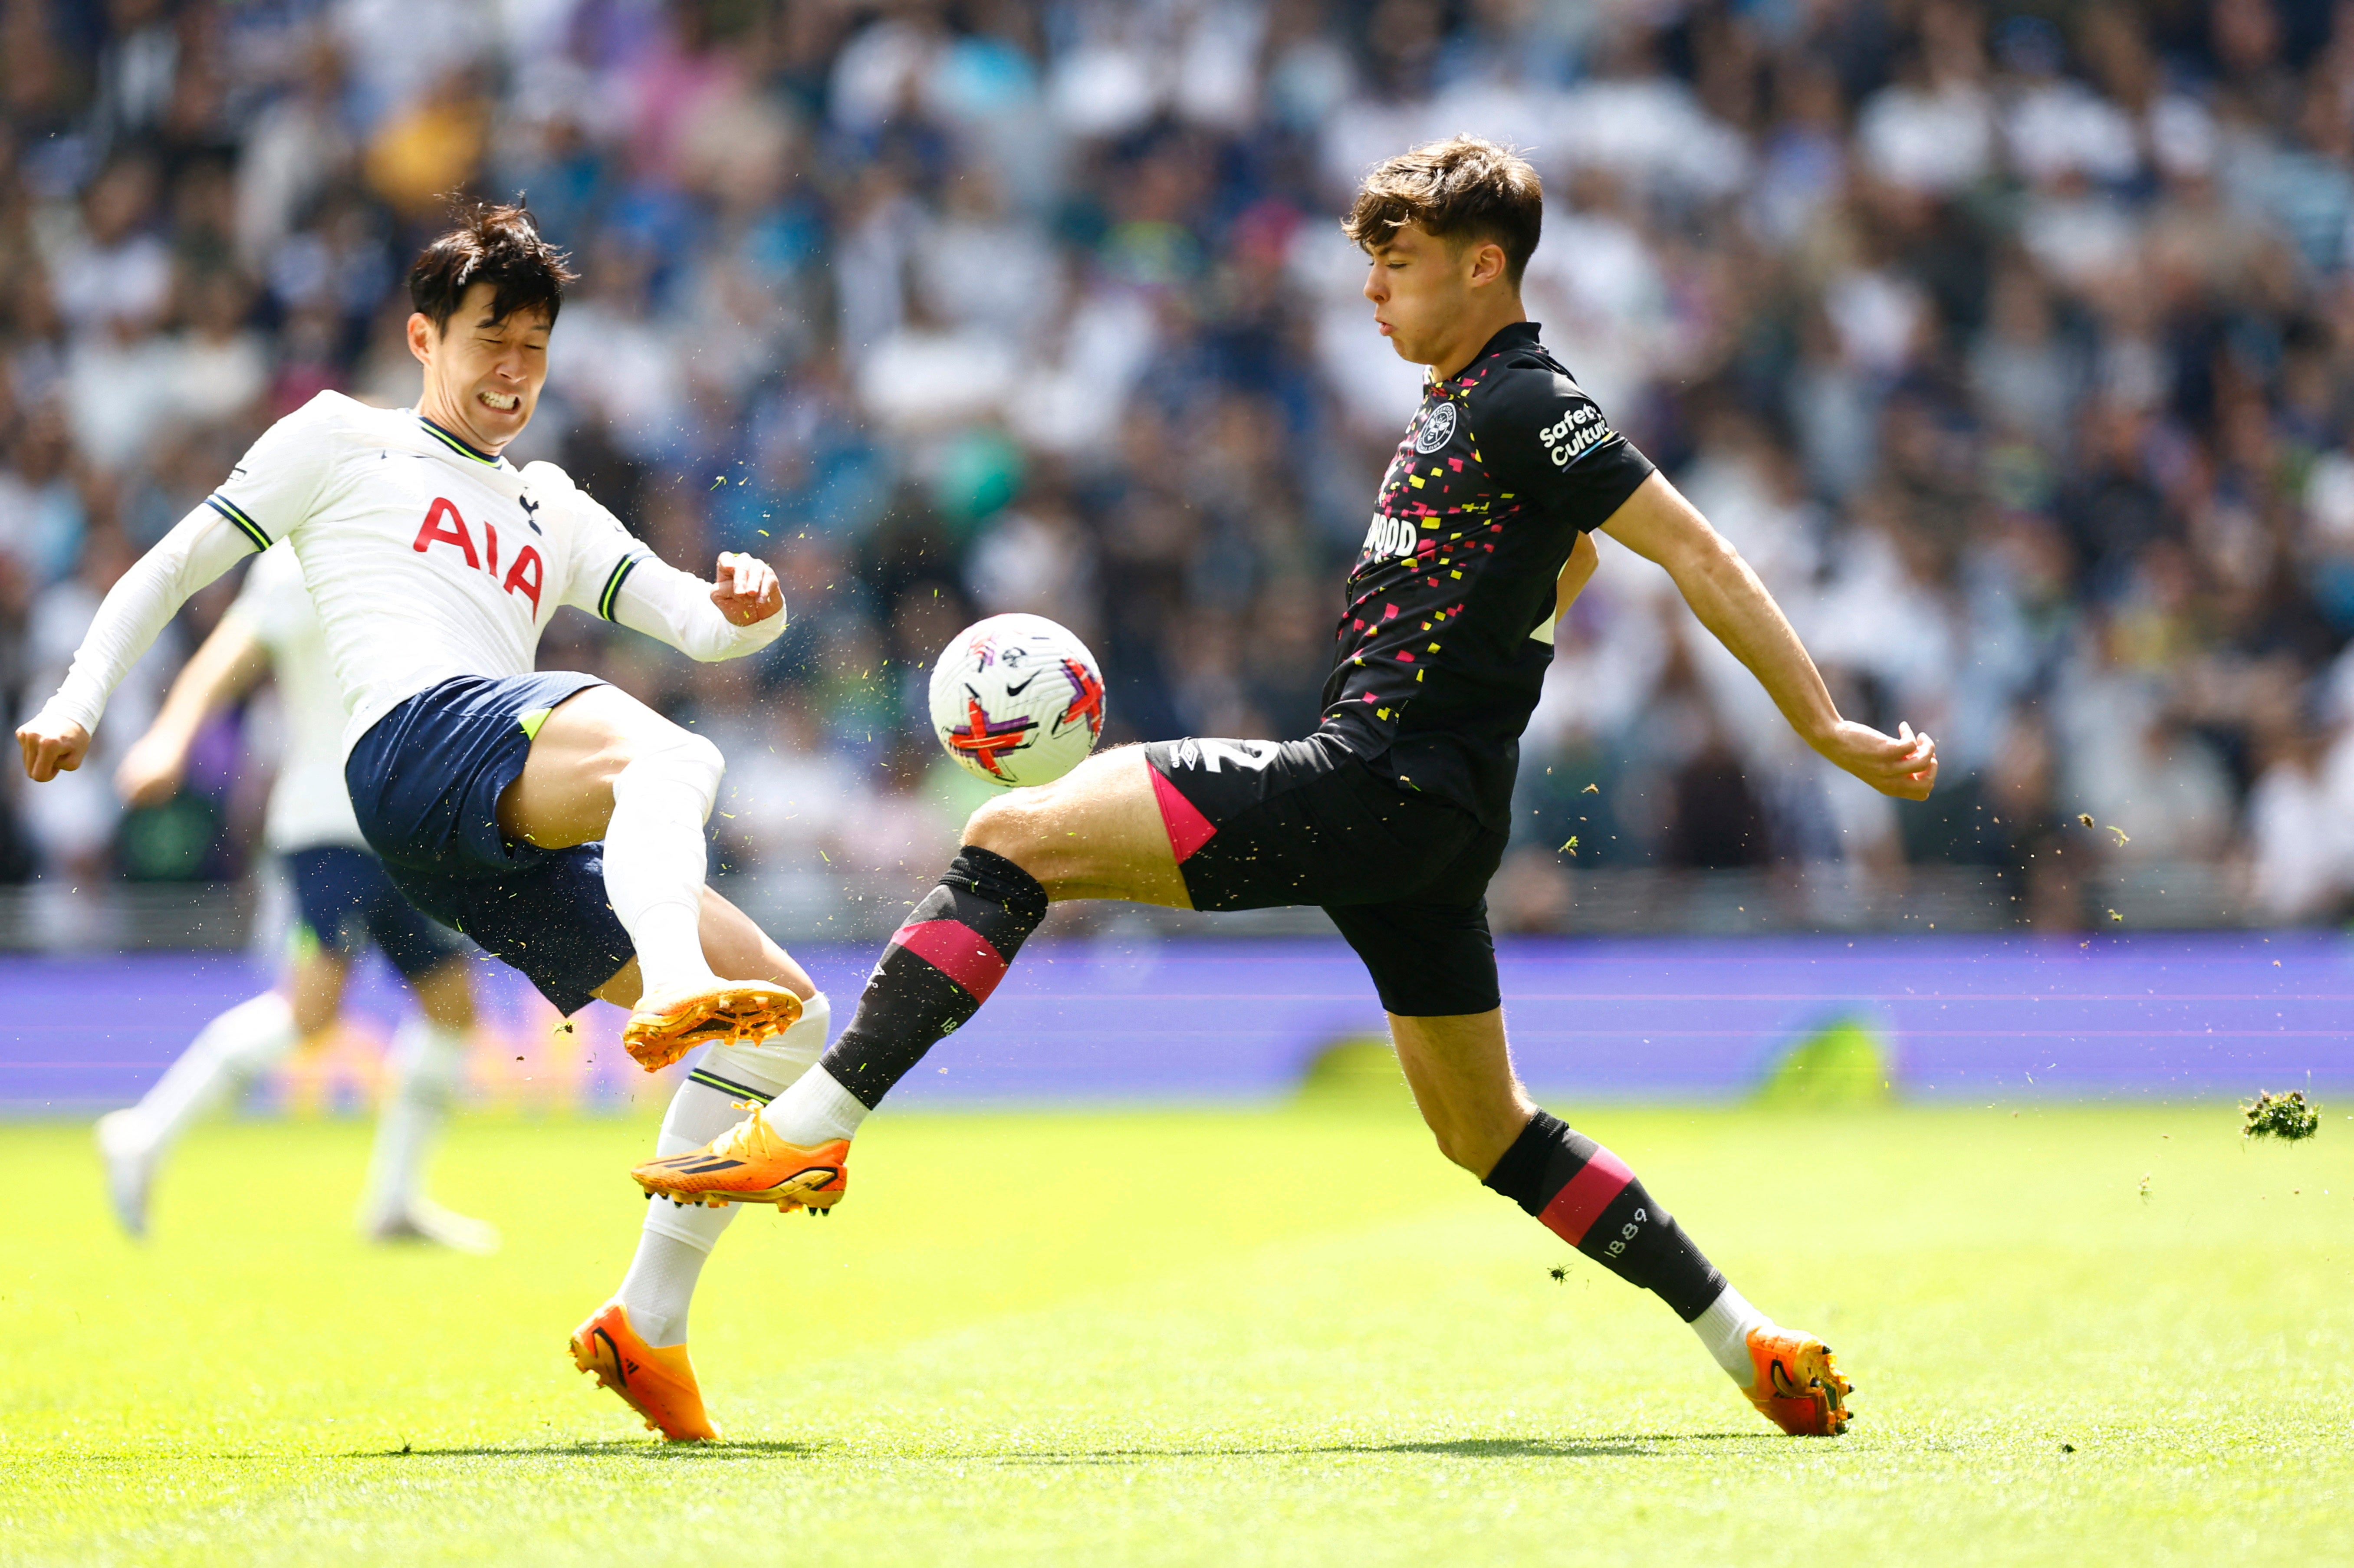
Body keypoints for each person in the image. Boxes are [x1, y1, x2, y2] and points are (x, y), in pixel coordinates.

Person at [632, 139, 1940, 1439]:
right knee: (1488, 1132)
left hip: (1369, 783)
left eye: (1402, 260)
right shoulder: (1464, 408)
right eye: (1368, 260)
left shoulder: (1528, 404)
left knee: (1011, 831)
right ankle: (1744, 1335)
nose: (1372, 287)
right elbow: (1568, 568)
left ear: (1487, 267)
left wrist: (1821, 723)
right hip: (1435, 828)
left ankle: (810, 1122)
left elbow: (1695, 549)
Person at [15, 201, 829, 1443]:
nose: (514, 370)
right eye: (491, 336)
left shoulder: (552, 506)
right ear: (422, 336)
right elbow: (177, 563)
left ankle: (645, 1322)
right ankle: (672, 985)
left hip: (489, 843)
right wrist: (81, 695)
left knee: (791, 1020)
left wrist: (755, 604)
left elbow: (706, 627)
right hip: (407, 749)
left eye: (536, 347)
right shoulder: (340, 439)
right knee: (668, 750)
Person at [98, 540, 496, 1252]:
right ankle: (144, 1134)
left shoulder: (425, 541)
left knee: (452, 1006)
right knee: (311, 1009)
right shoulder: (299, 559)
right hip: (329, 824)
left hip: (408, 831)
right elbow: (225, 655)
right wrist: (170, 738)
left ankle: (395, 1201)